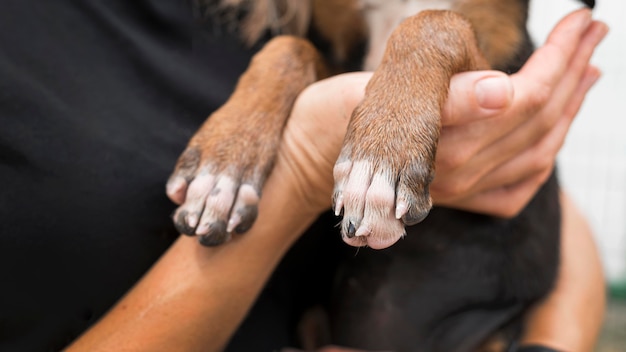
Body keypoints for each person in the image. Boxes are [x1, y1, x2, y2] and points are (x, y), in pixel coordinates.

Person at [0, 1, 606, 351]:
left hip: (479, 319)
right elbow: (315, 70)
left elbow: (525, 176)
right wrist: (298, 154)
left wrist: (545, 343)